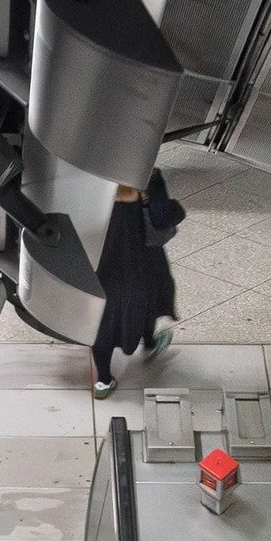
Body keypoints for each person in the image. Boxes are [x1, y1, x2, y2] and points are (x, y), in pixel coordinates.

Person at [89, 169, 184, 399]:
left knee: (102, 323)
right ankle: (150, 342)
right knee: (146, 305)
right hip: (143, 263)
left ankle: (103, 380)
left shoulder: (91, 178)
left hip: (102, 266)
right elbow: (162, 217)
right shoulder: (148, 178)